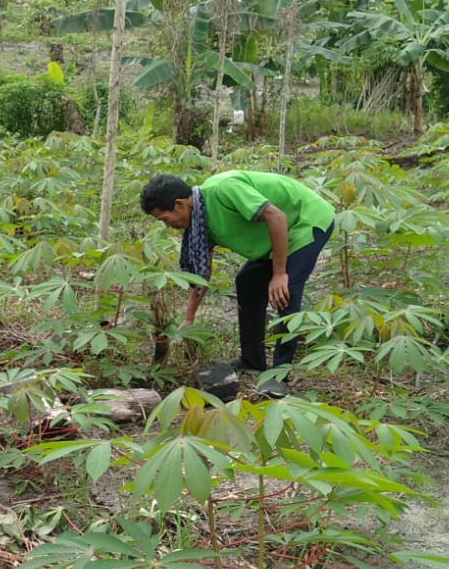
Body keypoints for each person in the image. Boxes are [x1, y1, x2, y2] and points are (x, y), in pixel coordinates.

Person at [140, 171, 335, 399]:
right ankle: (252, 360)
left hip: (305, 222)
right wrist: (189, 317)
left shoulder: (223, 190)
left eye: (164, 219)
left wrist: (279, 273)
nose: (168, 226)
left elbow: (277, 217)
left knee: (286, 292)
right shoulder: (200, 222)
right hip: (272, 239)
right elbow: (202, 271)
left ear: (179, 205)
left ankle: (280, 374)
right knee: (247, 282)